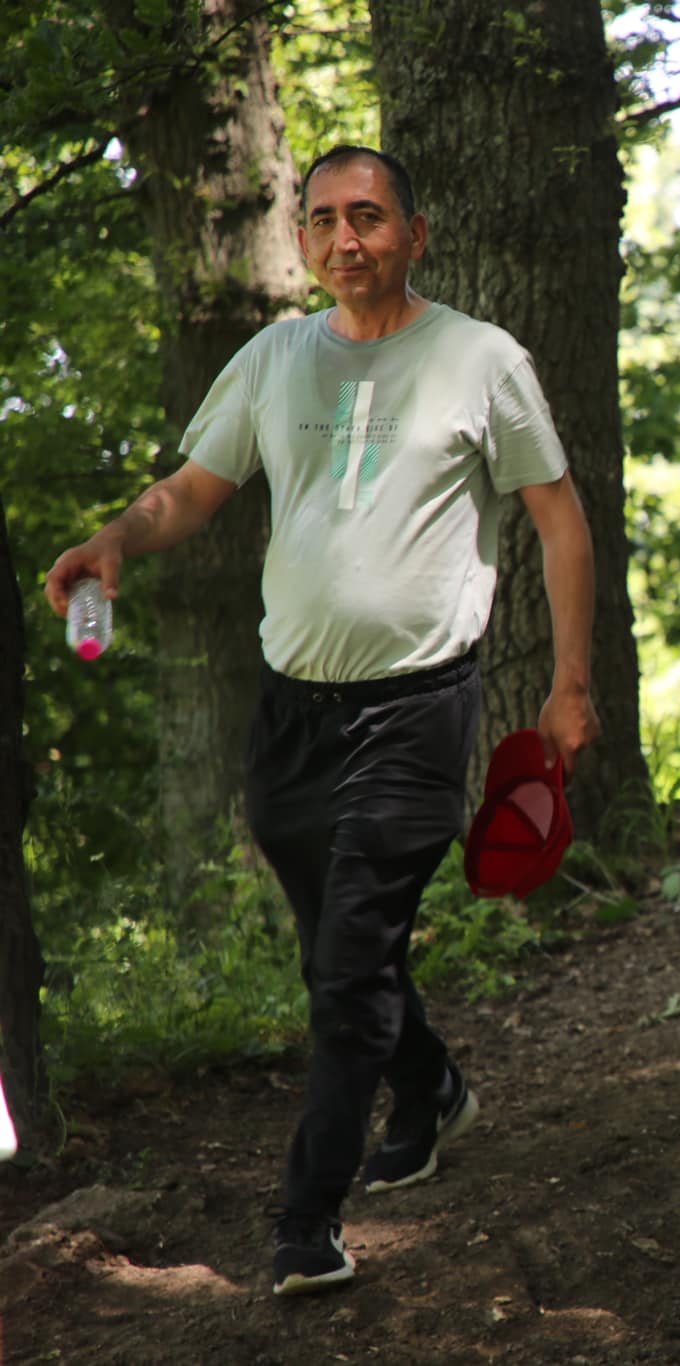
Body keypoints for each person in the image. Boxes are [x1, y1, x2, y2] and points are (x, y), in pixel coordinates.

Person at [42, 146, 599, 1296]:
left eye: (372, 217)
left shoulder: (480, 359)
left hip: (417, 705)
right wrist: (111, 541)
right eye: (327, 221)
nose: (350, 239)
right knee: (334, 952)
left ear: (415, 232)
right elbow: (191, 490)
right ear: (301, 242)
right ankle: (432, 1083)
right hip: (290, 712)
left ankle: (305, 1216)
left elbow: (558, 520)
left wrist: (571, 681)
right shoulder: (272, 359)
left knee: (348, 966)